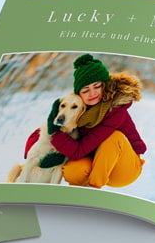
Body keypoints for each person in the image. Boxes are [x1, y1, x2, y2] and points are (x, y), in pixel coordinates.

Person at [28, 54, 148, 188]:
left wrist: (55, 134)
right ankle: (79, 192)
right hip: (96, 161)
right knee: (73, 170)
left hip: (124, 168)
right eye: (86, 90)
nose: (92, 93)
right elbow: (42, 132)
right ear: (79, 93)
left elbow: (78, 151)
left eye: (97, 86)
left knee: (114, 137)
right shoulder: (78, 107)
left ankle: (93, 189)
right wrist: (34, 154)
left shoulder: (115, 111)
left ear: (105, 85)